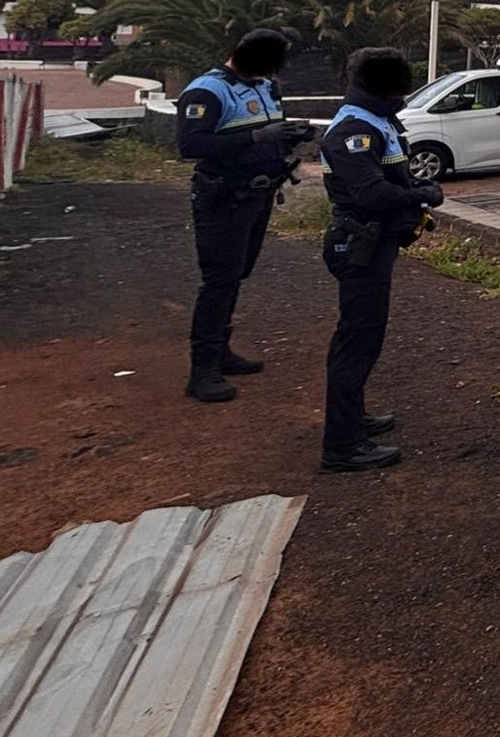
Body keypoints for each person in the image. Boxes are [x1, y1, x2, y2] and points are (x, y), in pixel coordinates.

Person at [316, 47, 443, 473]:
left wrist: (414, 185)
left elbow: (391, 175)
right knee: (357, 340)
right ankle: (342, 446)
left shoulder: (378, 122)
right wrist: (420, 195)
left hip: (374, 243)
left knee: (364, 338)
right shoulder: (352, 130)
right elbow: (370, 194)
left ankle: (354, 419)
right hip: (359, 245)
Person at [175, 28, 314, 402]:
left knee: (238, 275)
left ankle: (221, 350)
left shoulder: (265, 87)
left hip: (259, 195)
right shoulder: (208, 90)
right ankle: (202, 369)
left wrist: (290, 136)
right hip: (223, 198)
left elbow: (268, 134)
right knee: (219, 280)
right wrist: (256, 138)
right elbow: (191, 144)